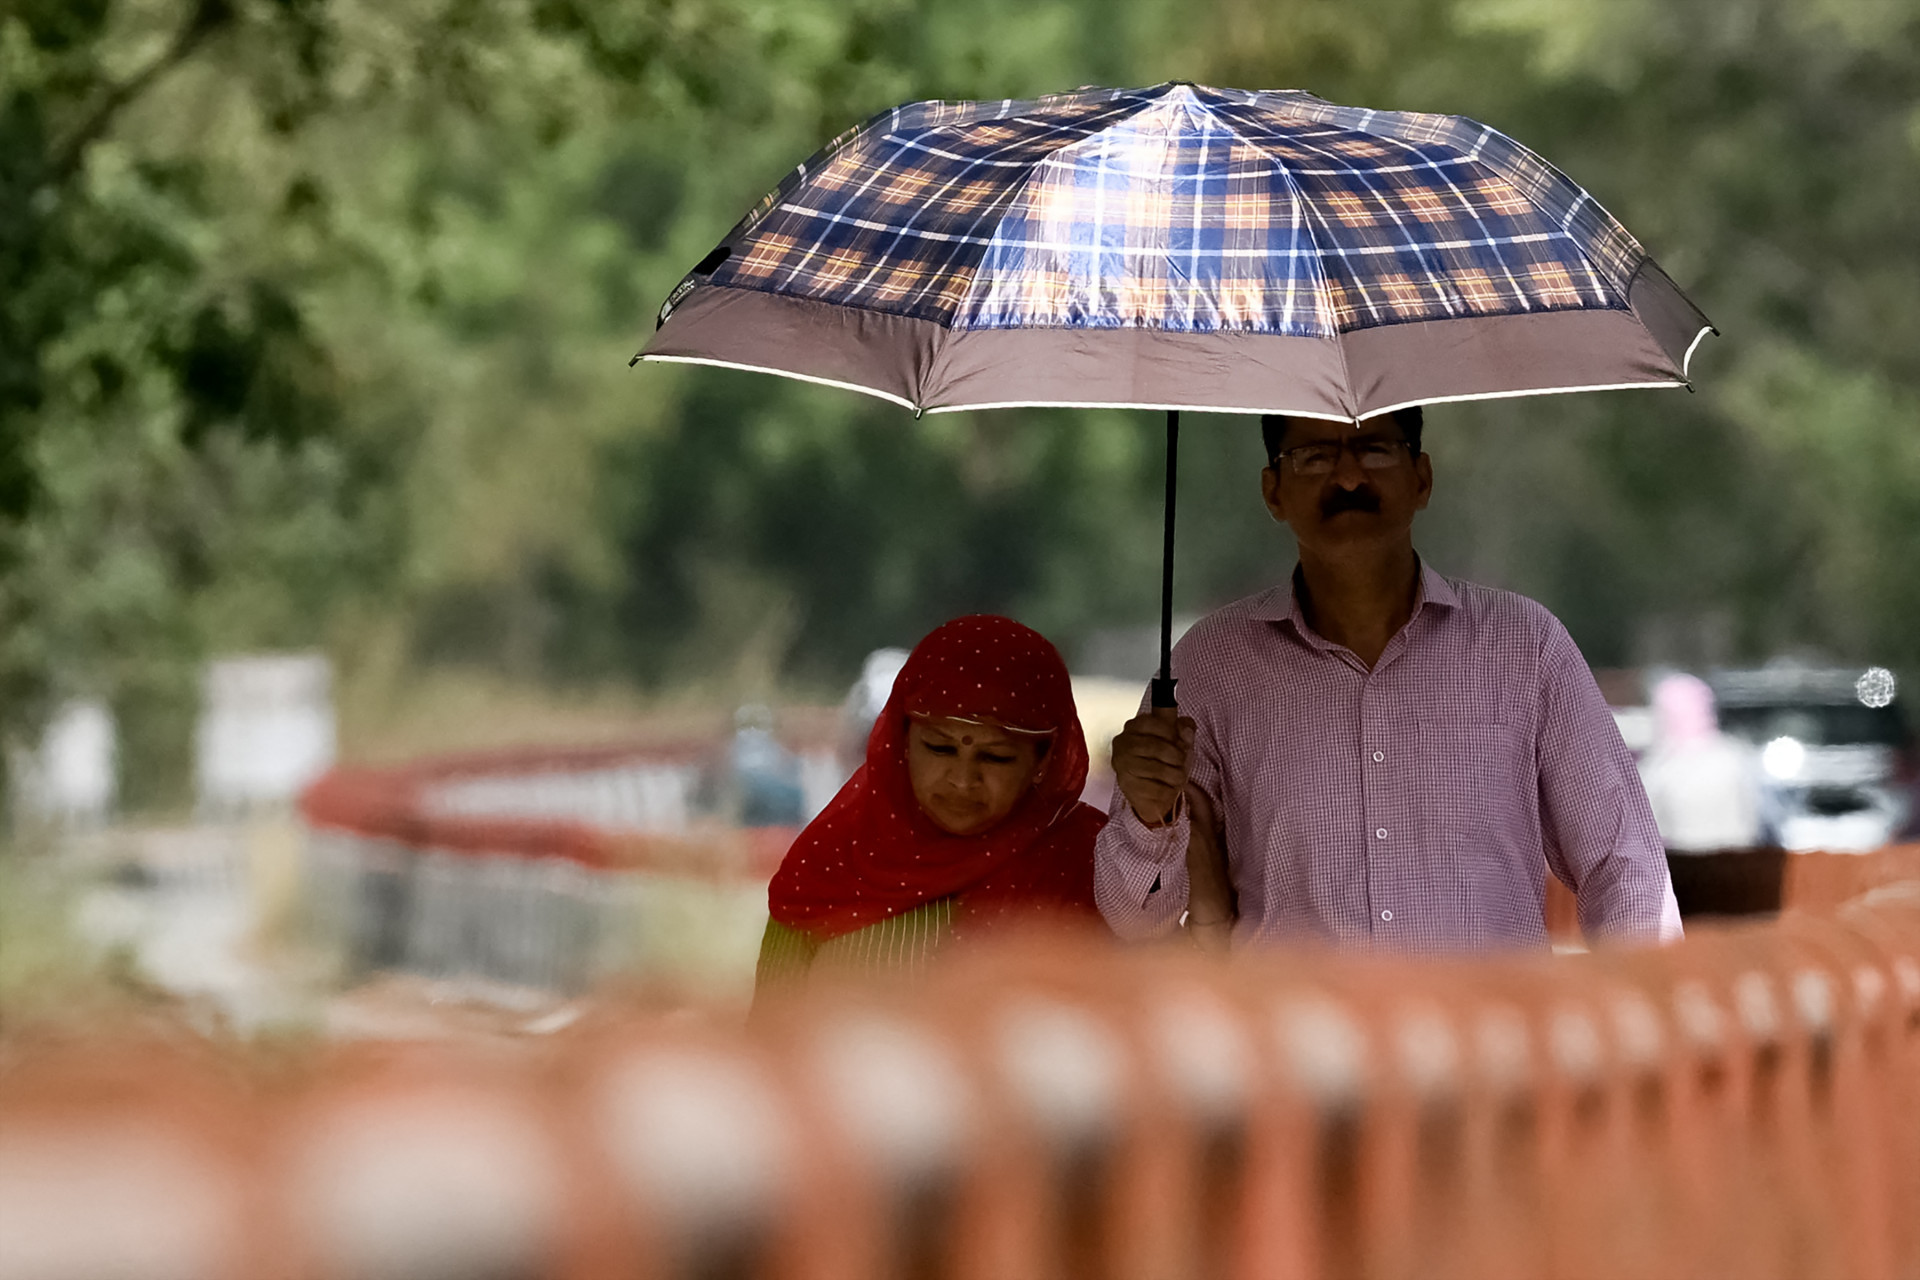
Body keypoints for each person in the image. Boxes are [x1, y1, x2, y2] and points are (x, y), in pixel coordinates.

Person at [1098, 408, 1682, 952]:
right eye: (1315, 456)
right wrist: (1151, 817)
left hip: (1493, 1053)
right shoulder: (1209, 668)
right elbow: (1133, 918)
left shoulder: (1524, 647)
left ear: (1422, 478)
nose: (1349, 476)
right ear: (1273, 492)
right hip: (1300, 1055)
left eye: (1375, 450)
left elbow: (1626, 870)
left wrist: (1649, 1029)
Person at [755, 615, 1105, 996]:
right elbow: (769, 1024)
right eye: (939, 748)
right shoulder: (833, 859)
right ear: (901, 739)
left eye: (995, 757)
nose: (962, 779)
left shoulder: (1092, 863)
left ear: (1044, 760)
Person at [1639, 673, 1778, 917]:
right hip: (1739, 879)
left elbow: (1644, 830)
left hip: (1686, 885)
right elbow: (1761, 818)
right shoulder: (1737, 757)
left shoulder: (1659, 768)